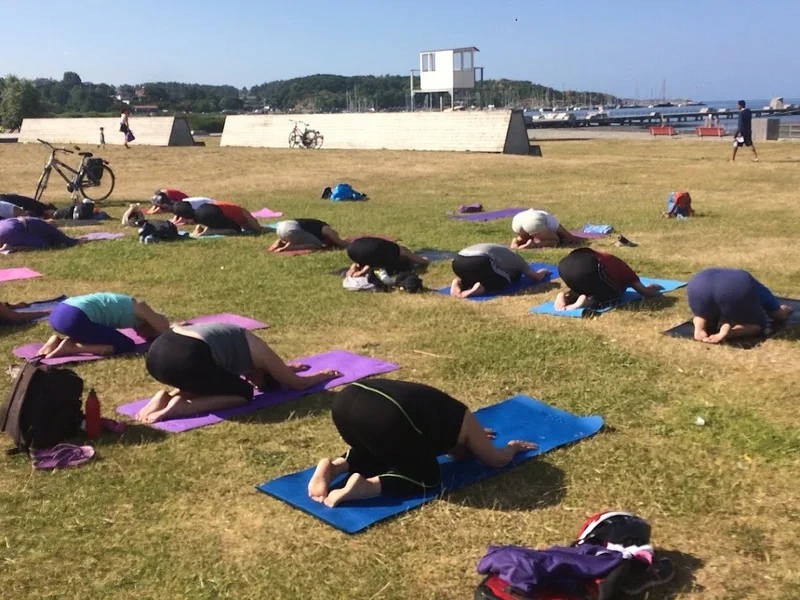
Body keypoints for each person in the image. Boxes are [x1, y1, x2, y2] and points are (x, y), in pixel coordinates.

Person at [307, 378, 538, 507]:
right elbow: (496, 460)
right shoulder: (463, 419)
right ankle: (367, 486)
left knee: (382, 449)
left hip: (346, 400)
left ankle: (335, 466)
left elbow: (451, 447)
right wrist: (513, 447)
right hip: (384, 415)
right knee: (428, 475)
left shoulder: (446, 421)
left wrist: (473, 436)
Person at [137, 323, 341, 423]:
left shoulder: (248, 348)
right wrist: (324, 375)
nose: (250, 380)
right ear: (265, 371)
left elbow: (276, 369)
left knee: (212, 381)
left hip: (157, 355)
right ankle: (181, 408)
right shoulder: (262, 353)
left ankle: (166, 396)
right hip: (185, 359)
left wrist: (286, 368)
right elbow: (298, 384)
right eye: (257, 381)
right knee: (243, 394)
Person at [38, 293, 170, 359]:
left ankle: (57, 340)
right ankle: (72, 348)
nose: (142, 337)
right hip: (75, 317)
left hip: (59, 313)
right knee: (126, 345)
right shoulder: (142, 308)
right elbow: (166, 331)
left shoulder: (126, 306)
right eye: (149, 335)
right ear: (151, 324)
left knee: (98, 334)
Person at [687, 268, 793, 344]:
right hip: (737, 288)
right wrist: (785, 310)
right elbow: (778, 315)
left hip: (697, 283)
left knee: (702, 314)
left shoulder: (740, 278)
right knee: (756, 326)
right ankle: (730, 333)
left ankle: (699, 326)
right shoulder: (752, 285)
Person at [555, 248, 663, 311]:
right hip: (590, 266)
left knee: (583, 285)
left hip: (565, 265)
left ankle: (565, 297)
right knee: (613, 297)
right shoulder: (626, 272)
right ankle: (584, 303)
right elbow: (644, 292)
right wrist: (653, 289)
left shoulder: (607, 258)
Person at [450, 243, 550, 298]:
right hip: (479, 260)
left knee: (477, 275)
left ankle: (459, 282)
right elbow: (535, 277)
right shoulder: (518, 260)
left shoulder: (504, 252)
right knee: (504, 280)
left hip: (458, 261)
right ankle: (479, 288)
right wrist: (544, 271)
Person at [346, 237, 427, 277]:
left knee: (368, 258)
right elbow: (408, 254)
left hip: (353, 248)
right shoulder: (396, 250)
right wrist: (422, 260)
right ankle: (363, 268)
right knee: (372, 258)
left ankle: (355, 267)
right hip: (370, 249)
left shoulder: (389, 249)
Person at [0, 217, 79, 253]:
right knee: (42, 245)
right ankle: (12, 247)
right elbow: (43, 244)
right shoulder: (47, 228)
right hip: (15, 229)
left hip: (14, 228)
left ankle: (11, 247)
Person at [510, 209, 580, 249]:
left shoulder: (545, 215)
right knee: (554, 240)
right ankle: (533, 245)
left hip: (517, 219)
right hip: (533, 221)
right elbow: (568, 236)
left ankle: (515, 242)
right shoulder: (555, 224)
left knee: (525, 238)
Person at [267, 219, 348, 253]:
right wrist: (345, 244)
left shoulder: (314, 226)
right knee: (317, 245)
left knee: (294, 236)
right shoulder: (325, 227)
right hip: (293, 230)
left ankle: (281, 241)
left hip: (281, 228)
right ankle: (291, 246)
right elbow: (335, 238)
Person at [184, 202, 263, 237]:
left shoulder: (239, 211)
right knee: (235, 230)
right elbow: (258, 228)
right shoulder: (245, 214)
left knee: (217, 223)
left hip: (205, 209)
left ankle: (201, 228)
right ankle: (208, 232)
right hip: (214, 212)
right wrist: (260, 229)